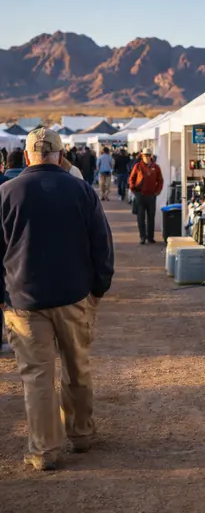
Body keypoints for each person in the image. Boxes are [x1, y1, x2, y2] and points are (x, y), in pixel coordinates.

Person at [1, 128, 114, 471]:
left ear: (26, 157)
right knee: (77, 367)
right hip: (74, 296)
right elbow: (101, 244)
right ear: (61, 156)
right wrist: (98, 289)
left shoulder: (5, 193)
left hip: (23, 301)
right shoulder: (81, 190)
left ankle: (45, 449)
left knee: (37, 376)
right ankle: (80, 434)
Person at [129, 147, 163, 245]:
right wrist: (134, 190)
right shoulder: (138, 166)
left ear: (151, 156)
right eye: (145, 155)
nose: (147, 157)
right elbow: (131, 178)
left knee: (151, 217)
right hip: (140, 195)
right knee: (141, 217)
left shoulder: (156, 167)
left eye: (148, 155)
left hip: (151, 196)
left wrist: (157, 191)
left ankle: (150, 237)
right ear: (142, 156)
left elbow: (160, 180)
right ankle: (142, 237)